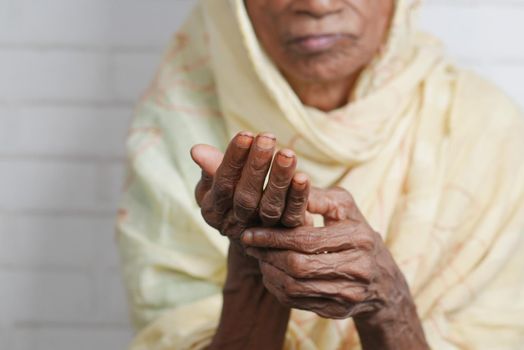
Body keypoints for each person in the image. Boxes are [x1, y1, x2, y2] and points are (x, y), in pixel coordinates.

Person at [116, 0, 524, 348]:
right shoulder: (173, 127)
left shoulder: (485, 131)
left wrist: (388, 303)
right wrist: (256, 267)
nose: (317, 5)